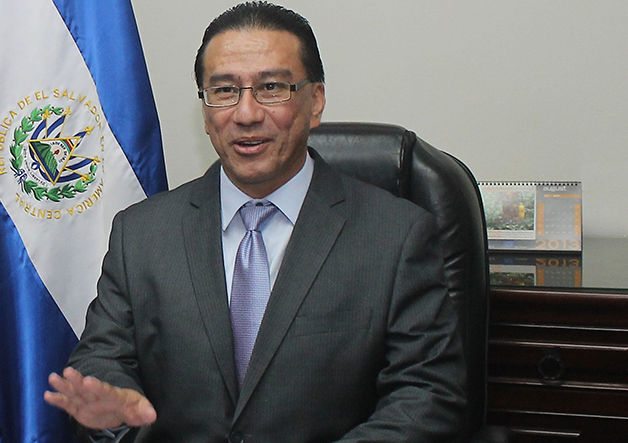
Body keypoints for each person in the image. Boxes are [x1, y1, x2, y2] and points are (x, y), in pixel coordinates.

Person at [45, 2, 466, 442]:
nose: (246, 114)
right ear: (205, 110)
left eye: (271, 88)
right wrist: (115, 411)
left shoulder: (396, 236)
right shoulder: (141, 234)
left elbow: (428, 394)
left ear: (315, 101)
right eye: (224, 90)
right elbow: (101, 360)